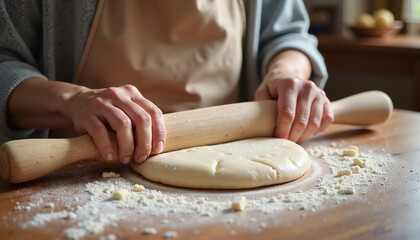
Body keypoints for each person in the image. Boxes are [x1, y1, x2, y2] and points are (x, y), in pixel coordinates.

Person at [0, 0, 334, 164]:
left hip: (234, 158)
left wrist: (285, 73)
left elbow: (288, 35)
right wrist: (71, 100)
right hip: (83, 170)